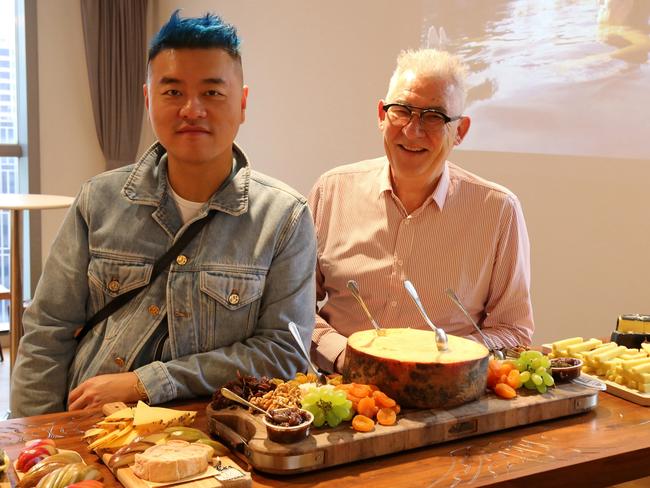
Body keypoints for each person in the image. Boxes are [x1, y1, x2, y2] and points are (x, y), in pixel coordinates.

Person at [11, 11, 316, 417]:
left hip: (217, 439)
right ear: (148, 99)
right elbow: (48, 330)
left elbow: (283, 353)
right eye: (173, 92)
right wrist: (30, 438)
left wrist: (147, 383)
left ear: (242, 104)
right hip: (90, 426)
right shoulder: (99, 200)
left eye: (212, 93)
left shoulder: (284, 218)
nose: (192, 109)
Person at [309, 49, 533, 373]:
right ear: (381, 115)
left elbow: (514, 331)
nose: (413, 131)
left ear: (460, 131)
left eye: (434, 117)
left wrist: (440, 362)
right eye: (401, 111)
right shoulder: (331, 192)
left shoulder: (498, 212)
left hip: (448, 397)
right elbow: (293, 309)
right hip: (341, 391)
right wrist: (347, 357)